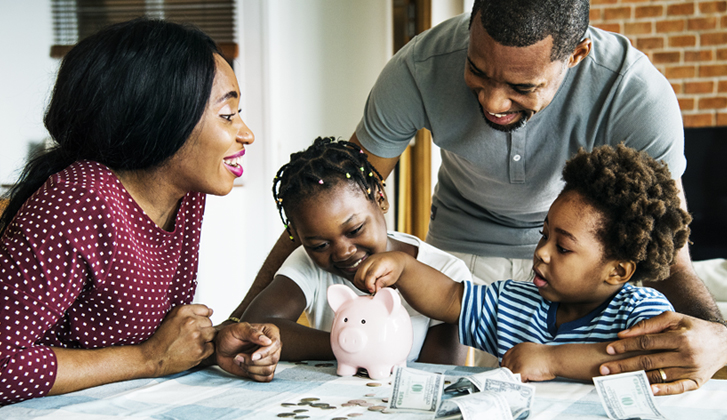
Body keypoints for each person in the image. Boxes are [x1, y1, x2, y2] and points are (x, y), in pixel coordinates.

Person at [223, 0, 727, 394]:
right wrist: (238, 321)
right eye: (479, 72)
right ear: (470, 30)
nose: (491, 101)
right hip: (458, 260)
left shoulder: (634, 93)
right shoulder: (418, 68)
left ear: (575, 56)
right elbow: (329, 196)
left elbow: (671, 260)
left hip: (583, 264)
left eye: (521, 85)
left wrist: (719, 342)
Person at [0, 19, 281, 406]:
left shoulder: (184, 198)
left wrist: (214, 343)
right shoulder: (79, 200)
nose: (246, 133)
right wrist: (149, 359)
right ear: (163, 117)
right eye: (227, 114)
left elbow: (160, 340)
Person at [354, 144, 688, 384]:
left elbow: (645, 362)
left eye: (563, 248)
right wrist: (404, 268)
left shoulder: (641, 312)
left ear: (617, 271)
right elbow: (450, 298)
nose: (542, 252)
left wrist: (551, 360)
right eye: (544, 236)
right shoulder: (515, 303)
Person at [238, 137, 472, 365]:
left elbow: (439, 371)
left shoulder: (447, 272)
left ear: (380, 197)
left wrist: (357, 345)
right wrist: (347, 344)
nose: (343, 252)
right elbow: (254, 326)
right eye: (320, 245)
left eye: (355, 229)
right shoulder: (307, 261)